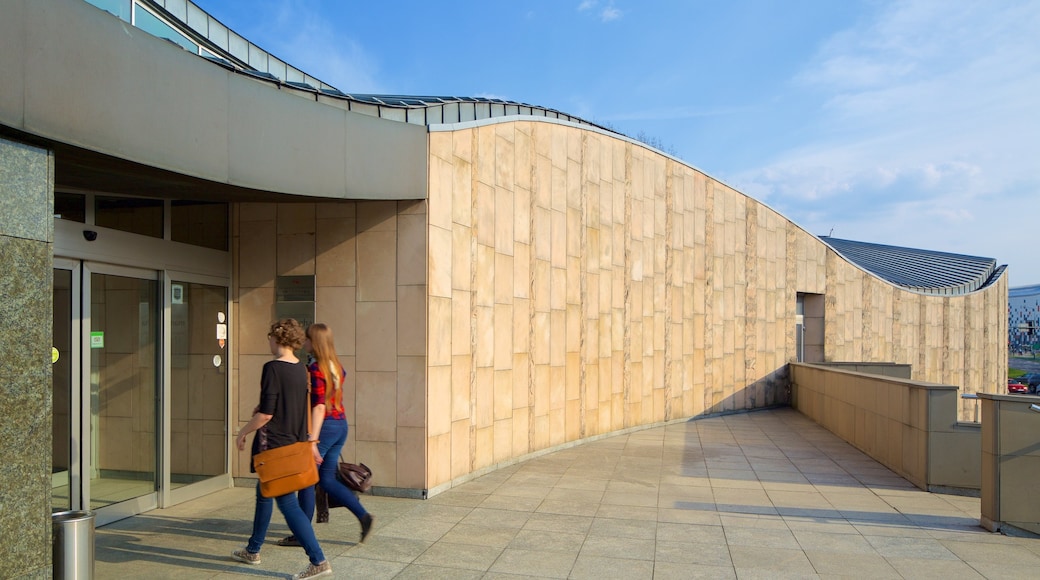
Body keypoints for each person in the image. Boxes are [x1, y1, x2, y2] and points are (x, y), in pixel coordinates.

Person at [232, 318, 332, 580]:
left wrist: (243, 431)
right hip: (293, 444)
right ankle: (253, 549)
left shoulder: (272, 368)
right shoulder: (302, 369)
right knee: (264, 494)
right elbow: (291, 406)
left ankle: (318, 560)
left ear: (277, 338)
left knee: (287, 504)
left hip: (274, 447)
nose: (268, 341)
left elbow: (266, 414)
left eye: (269, 336)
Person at [277, 322, 374, 547]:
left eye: (308, 339)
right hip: (341, 425)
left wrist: (312, 440)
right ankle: (363, 516)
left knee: (307, 481)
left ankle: (302, 533)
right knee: (327, 479)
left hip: (325, 427)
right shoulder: (336, 366)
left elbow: (319, 406)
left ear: (316, 342)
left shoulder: (316, 369)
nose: (305, 342)